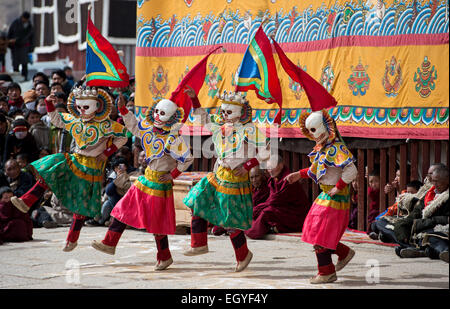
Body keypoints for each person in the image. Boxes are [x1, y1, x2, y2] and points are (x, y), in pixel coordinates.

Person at [10, 86, 128, 252]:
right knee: (51, 168)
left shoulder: (107, 124)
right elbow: (57, 120)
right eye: (79, 107)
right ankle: (26, 201)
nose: (82, 111)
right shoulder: (75, 120)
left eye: (86, 107)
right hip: (75, 158)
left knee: (80, 204)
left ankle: (72, 239)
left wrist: (108, 152)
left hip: (92, 167)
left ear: (97, 105)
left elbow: (123, 135)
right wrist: (49, 104)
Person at [92, 92, 193, 271]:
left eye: (162, 114)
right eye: (156, 112)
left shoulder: (173, 138)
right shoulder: (148, 129)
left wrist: (173, 174)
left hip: (160, 184)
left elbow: (187, 158)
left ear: (171, 118)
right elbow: (133, 125)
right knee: (122, 209)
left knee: (157, 223)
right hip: (145, 180)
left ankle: (164, 257)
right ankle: (109, 243)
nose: (157, 116)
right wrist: (123, 108)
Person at [183, 90, 270, 272]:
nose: (224, 115)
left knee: (230, 221)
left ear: (240, 112)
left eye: (228, 112)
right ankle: (198, 244)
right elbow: (204, 118)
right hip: (218, 174)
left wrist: (247, 166)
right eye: (223, 112)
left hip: (236, 179)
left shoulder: (250, 130)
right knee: (196, 199)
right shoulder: (220, 127)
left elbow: (265, 153)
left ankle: (243, 255)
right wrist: (194, 98)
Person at [285, 109, 357, 284]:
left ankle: (326, 271)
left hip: (335, 197)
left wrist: (339, 187)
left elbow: (352, 170)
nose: (312, 135)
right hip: (326, 195)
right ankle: (343, 253)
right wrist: (298, 174)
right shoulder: (323, 148)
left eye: (314, 130)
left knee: (319, 233)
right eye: (309, 131)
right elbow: (317, 170)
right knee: (316, 231)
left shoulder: (337, 148)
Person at [393, 165, 449, 262]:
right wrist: (407, 223)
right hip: (425, 227)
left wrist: (424, 223)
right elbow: (417, 212)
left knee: (431, 237)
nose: (434, 184)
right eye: (433, 181)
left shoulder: (446, 195)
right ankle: (418, 249)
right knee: (398, 227)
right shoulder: (430, 193)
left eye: (437, 181)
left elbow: (446, 219)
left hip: (440, 229)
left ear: (447, 180)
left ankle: (444, 251)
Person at [245, 155, 308, 239]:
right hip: (283, 210)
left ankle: (250, 231)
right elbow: (272, 201)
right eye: (268, 168)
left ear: (281, 165)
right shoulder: (274, 179)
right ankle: (270, 228)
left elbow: (274, 201)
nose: (270, 171)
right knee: (257, 211)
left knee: (266, 212)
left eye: (272, 167)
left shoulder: (288, 179)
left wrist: (258, 209)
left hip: (296, 214)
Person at [7, 12, 34, 80]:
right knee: (16, 64)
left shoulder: (29, 25)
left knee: (24, 64)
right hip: (16, 47)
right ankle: (16, 78)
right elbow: (9, 34)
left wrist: (31, 49)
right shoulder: (15, 23)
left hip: (25, 47)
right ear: (22, 17)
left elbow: (31, 38)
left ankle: (25, 78)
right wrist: (10, 42)